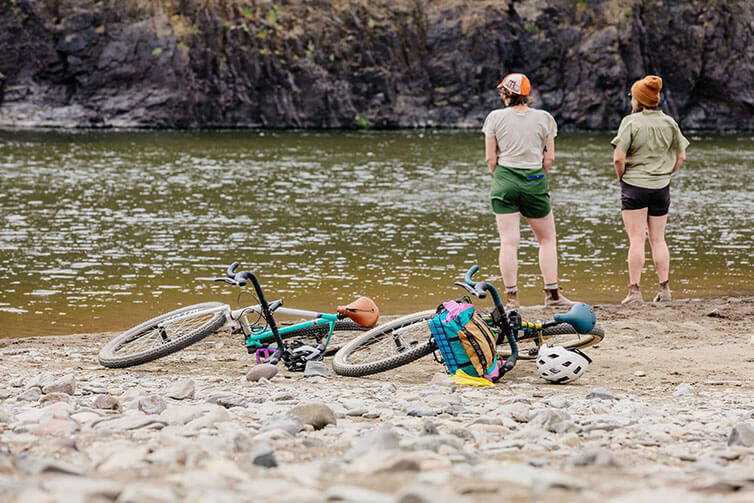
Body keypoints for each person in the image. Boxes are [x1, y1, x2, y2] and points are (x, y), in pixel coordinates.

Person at [482, 73, 572, 309]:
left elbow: (490, 158)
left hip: (504, 180)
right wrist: (534, 174)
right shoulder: (545, 118)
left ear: (506, 94)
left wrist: (503, 177)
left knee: (509, 242)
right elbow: (549, 158)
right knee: (547, 239)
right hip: (534, 179)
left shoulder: (494, 118)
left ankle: (512, 298)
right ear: (527, 95)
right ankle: (552, 296)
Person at [611, 75, 689, 304]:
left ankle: (634, 291)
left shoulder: (630, 122)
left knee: (636, 240)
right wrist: (667, 172)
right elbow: (681, 155)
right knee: (658, 239)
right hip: (661, 187)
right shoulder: (669, 122)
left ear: (638, 100)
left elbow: (618, 158)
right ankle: (664, 289)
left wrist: (621, 177)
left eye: (632, 97)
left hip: (634, 186)